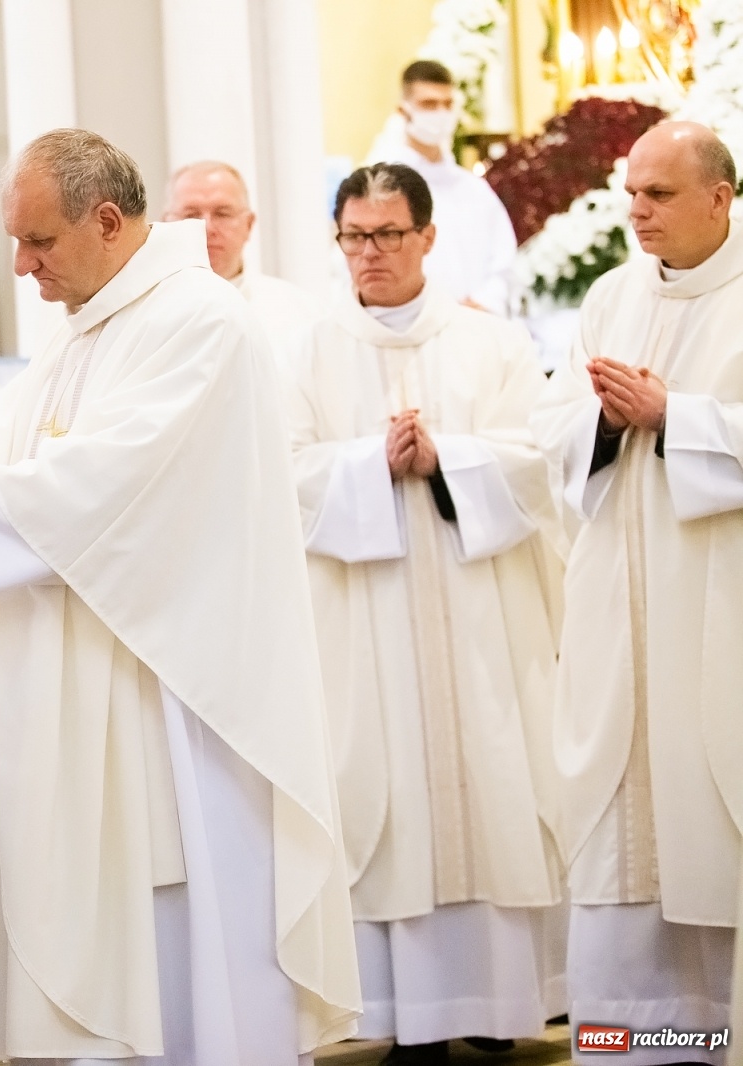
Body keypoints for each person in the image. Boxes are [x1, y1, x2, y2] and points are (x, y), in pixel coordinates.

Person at [0, 128, 360, 1065]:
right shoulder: (92, 325)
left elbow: (107, 483)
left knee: (177, 961)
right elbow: (7, 461)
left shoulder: (197, 323)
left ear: (107, 221)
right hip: (78, 698)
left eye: (38, 243)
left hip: (168, 709)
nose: (22, 268)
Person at [289, 163, 566, 1066]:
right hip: (361, 621)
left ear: (428, 238)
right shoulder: (305, 348)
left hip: (478, 615)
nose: (369, 255)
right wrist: (372, 464)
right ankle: (404, 1016)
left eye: (387, 236)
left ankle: (496, 999)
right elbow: (280, 474)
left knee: (491, 784)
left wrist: (448, 458)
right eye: (353, 237)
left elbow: (538, 461)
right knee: (384, 793)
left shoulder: (494, 346)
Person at [532, 121, 743, 1064]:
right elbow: (553, 434)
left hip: (719, 608)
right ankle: (635, 1047)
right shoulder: (611, 296)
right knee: (625, 838)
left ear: (720, 199)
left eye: (658, 195)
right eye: (632, 194)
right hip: (620, 608)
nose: (638, 212)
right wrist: (609, 427)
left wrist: (679, 417)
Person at [368, 60, 516, 314]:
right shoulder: (378, 189)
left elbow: (504, 262)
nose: (441, 114)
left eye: (447, 105)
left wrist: (483, 303)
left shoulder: (473, 189)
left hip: (477, 325)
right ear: (404, 111)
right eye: (429, 104)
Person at [162, 160, 319, 363]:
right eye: (191, 214)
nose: (207, 228)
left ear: (249, 224)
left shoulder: (301, 314)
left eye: (222, 213)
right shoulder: (140, 315)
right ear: (166, 224)